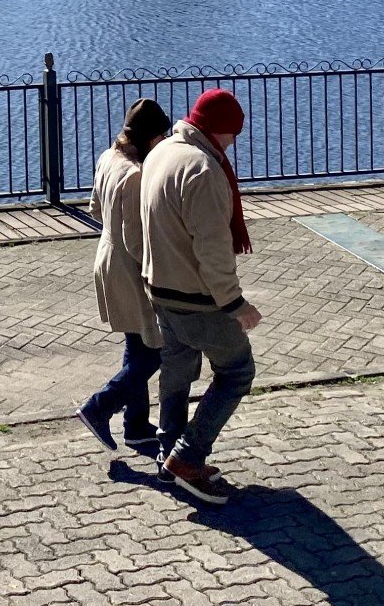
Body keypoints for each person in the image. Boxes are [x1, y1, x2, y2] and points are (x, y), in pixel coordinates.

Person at [141, 88, 261, 505]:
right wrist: (235, 304)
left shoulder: (161, 152)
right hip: (198, 299)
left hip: (160, 289)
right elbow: (212, 250)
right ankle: (187, 459)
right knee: (237, 371)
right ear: (222, 130)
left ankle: (167, 452)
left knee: (176, 374)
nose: (233, 143)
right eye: (234, 135)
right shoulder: (204, 170)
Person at [77, 98, 173, 460]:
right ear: (150, 139)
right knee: (155, 352)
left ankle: (136, 426)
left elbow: (94, 208)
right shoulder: (135, 175)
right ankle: (98, 407)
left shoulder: (108, 157)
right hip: (129, 269)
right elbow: (137, 240)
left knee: (137, 344)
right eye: (161, 137)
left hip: (105, 256)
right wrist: (157, 273)